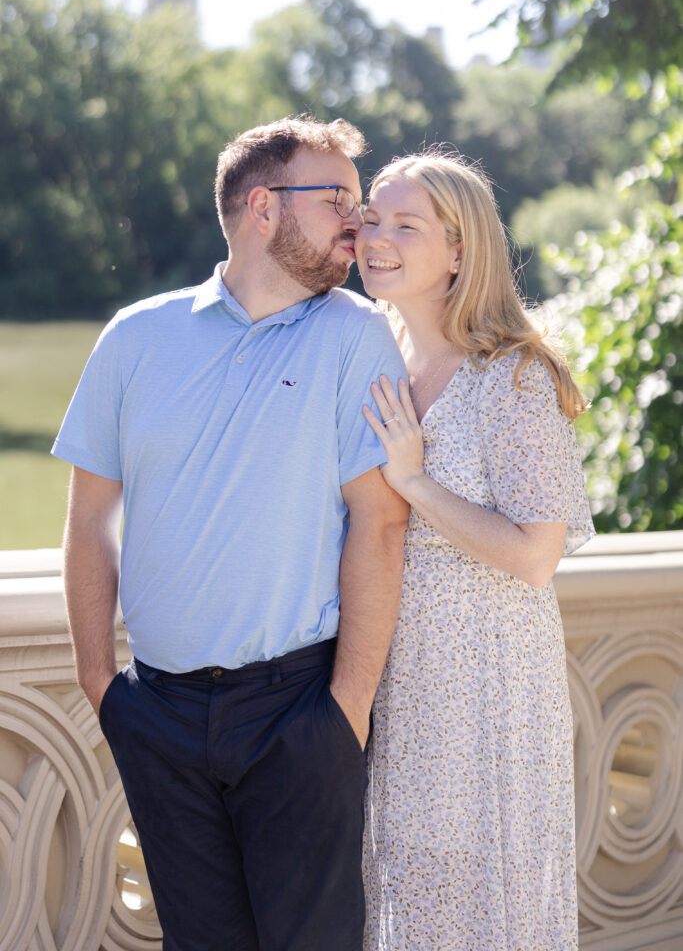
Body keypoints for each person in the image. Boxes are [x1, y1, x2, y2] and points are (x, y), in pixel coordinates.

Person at [52, 116, 409, 951]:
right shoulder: (135, 338)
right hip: (159, 715)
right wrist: (104, 685)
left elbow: (379, 523)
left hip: (297, 712)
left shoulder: (356, 337)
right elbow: (88, 523)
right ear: (261, 207)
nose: (356, 225)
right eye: (337, 202)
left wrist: (344, 710)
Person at [354, 151, 595, 951]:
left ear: (459, 250)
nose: (375, 238)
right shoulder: (370, 352)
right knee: (408, 903)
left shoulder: (513, 375)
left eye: (404, 225)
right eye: (371, 219)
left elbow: (535, 555)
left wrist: (417, 484)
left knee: (486, 908)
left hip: (487, 691)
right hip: (398, 680)